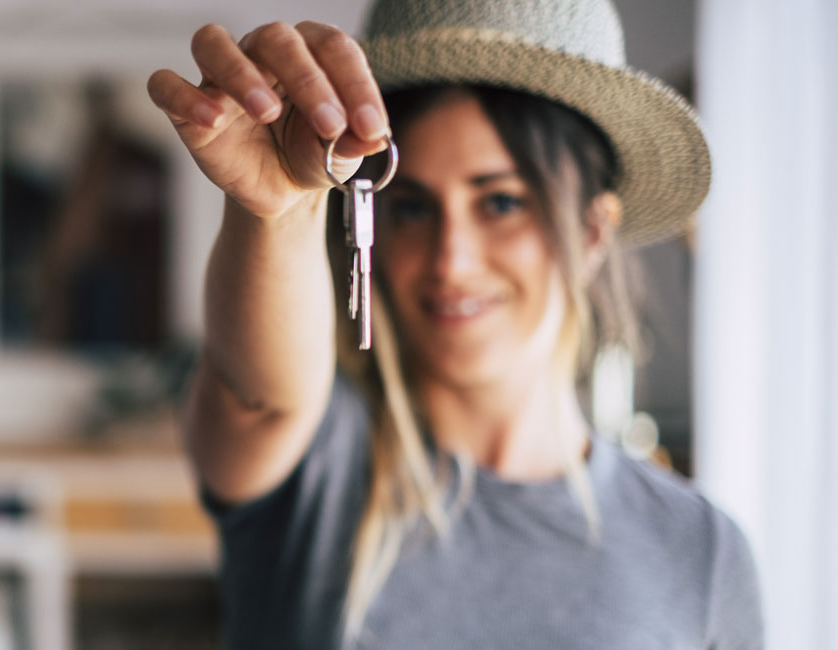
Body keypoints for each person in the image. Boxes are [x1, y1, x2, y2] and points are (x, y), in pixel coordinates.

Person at [146, 0, 764, 648]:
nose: (451, 260)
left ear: (590, 232)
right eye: (411, 207)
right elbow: (260, 395)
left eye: (501, 202)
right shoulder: (318, 465)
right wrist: (275, 211)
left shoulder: (700, 552)